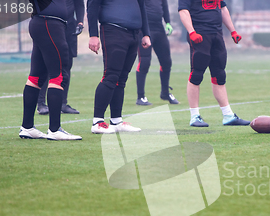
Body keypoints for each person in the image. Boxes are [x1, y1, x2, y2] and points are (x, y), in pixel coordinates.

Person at [178, 0, 250, 127]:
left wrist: (233, 30)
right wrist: (191, 32)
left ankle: (228, 115)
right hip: (199, 34)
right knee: (197, 74)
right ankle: (194, 116)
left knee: (220, 74)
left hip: (217, 34)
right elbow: (183, 11)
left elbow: (222, 8)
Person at [19, 0, 82, 140]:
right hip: (49, 23)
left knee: (36, 77)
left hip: (44, 23)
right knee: (59, 75)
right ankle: (55, 129)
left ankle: (27, 127)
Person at [87, 0, 152, 134]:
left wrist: (146, 33)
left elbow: (141, 6)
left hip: (134, 33)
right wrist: (93, 35)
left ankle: (116, 121)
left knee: (121, 79)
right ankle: (97, 121)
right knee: (110, 76)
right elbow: (92, 6)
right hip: (113, 30)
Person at [37, 0, 85, 116]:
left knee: (67, 64)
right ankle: (41, 103)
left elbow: (79, 4)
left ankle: (62, 103)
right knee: (48, 65)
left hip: (70, 28)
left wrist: (80, 22)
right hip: (53, 25)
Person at [136, 0, 180, 106]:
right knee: (144, 62)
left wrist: (168, 22)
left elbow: (164, 5)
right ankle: (140, 97)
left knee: (166, 62)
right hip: (144, 29)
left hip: (159, 28)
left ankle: (165, 93)